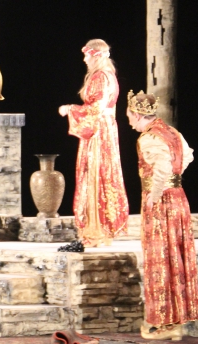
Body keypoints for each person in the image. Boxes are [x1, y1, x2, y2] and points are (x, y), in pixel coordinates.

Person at [126, 91, 198, 341]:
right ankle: (175, 322)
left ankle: (167, 322)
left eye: (130, 117)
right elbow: (187, 155)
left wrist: (156, 192)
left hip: (161, 203)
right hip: (178, 198)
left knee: (161, 258)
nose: (129, 122)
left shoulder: (149, 138)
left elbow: (164, 164)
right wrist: (174, 179)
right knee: (175, 257)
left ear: (138, 115)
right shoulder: (171, 131)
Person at [58, 40, 129, 247]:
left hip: (99, 131)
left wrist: (70, 109)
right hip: (104, 127)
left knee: (95, 174)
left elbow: (96, 109)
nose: (84, 59)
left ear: (96, 56)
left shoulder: (101, 77)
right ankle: (98, 229)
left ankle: (96, 230)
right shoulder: (108, 76)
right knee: (99, 173)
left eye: (87, 55)